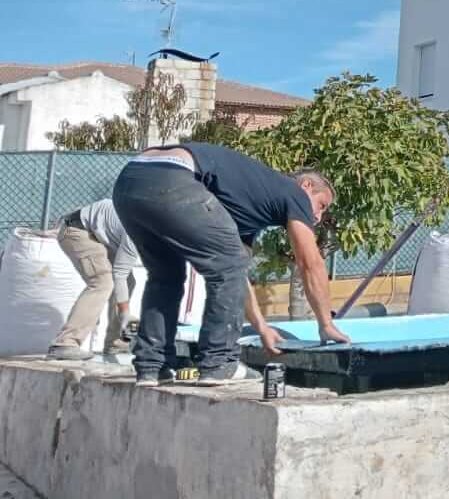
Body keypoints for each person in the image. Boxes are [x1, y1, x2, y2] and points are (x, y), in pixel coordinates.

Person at [112, 142, 350, 386]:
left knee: (166, 275)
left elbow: (238, 278)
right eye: (321, 205)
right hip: (172, 176)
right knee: (226, 266)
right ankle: (219, 363)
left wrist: (261, 327)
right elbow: (310, 263)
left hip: (130, 181)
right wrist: (326, 324)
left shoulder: (247, 206)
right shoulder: (294, 193)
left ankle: (153, 366)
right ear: (307, 186)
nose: (319, 217)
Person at [46, 198, 143, 362]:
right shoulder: (138, 230)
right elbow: (119, 273)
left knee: (128, 282)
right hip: (77, 231)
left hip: (98, 233)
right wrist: (125, 313)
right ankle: (65, 343)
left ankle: (115, 344)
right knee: (102, 282)